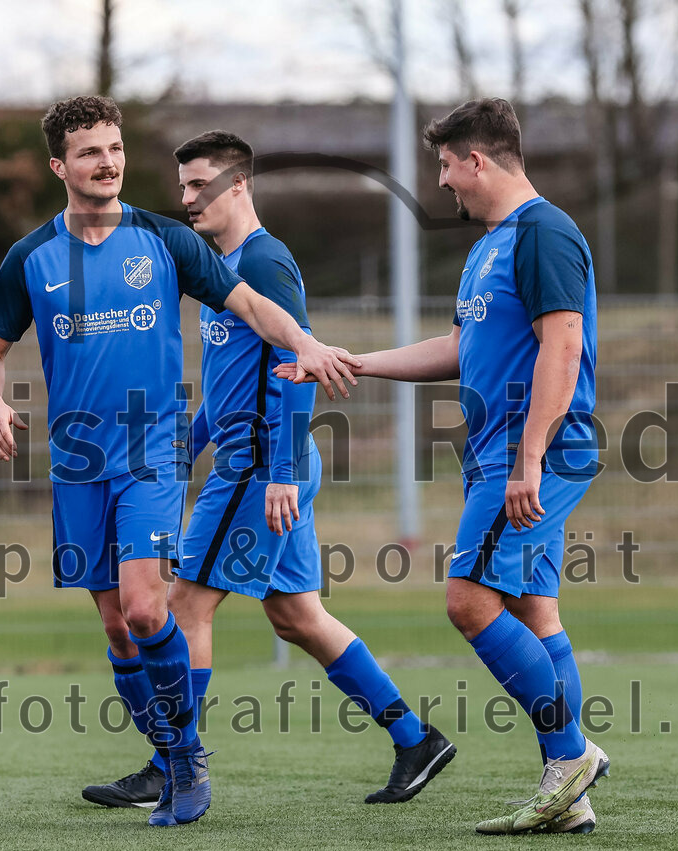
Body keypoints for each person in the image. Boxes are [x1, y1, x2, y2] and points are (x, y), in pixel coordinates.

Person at [0, 96, 359, 828]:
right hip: (79, 465)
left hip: (152, 457)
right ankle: (171, 752)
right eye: (89, 152)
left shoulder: (162, 241)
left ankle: (185, 764)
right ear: (60, 165)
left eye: (114, 148)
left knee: (151, 607)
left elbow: (249, 304)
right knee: (119, 627)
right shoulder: (32, 258)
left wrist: (302, 342)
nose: (107, 162)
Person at [85, 130, 456, 809]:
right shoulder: (220, 267)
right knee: (296, 616)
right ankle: (415, 737)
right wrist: (188, 440)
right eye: (183, 187)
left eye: (200, 186)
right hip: (256, 460)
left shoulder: (267, 262)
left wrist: (280, 469)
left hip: (261, 467)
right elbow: (231, 381)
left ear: (239, 185)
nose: (187, 199)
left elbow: (298, 368)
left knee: (185, 606)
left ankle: (173, 764)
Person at [276, 98, 609, 835]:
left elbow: (562, 346)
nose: (441, 180)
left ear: (477, 160)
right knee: (532, 608)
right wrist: (350, 363)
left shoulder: (545, 232)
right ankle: (571, 796)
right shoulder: (491, 245)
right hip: (501, 455)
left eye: (445, 164)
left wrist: (528, 458)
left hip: (535, 455)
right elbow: (461, 347)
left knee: (468, 599)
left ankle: (569, 755)